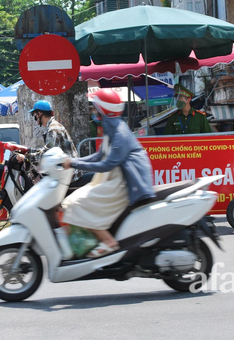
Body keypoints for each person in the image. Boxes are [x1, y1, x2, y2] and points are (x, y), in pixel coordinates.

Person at [62, 89, 155, 258]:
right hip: (111, 178)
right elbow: (99, 155)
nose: (93, 111)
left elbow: (106, 164)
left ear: (104, 109)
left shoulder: (119, 132)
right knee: (70, 200)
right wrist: (73, 162)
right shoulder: (110, 126)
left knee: (79, 203)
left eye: (95, 108)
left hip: (122, 183)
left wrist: (75, 163)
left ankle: (109, 241)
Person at [17, 100, 82, 181]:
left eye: (34, 115)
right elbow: (46, 149)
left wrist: (26, 157)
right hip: (64, 172)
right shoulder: (52, 126)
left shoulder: (53, 129)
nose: (35, 118)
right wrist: (27, 150)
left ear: (40, 113)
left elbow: (47, 155)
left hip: (70, 175)